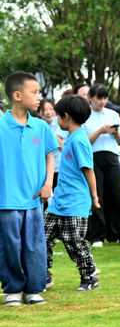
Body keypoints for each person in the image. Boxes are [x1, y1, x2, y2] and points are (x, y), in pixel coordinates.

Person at [1, 71, 59, 306]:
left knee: (35, 245)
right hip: (6, 199)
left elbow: (50, 157)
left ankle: (34, 289)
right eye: (34, 92)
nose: (39, 97)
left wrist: (48, 185)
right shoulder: (1, 125)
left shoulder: (41, 127)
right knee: (9, 246)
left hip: (34, 198)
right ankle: (13, 289)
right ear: (17, 95)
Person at [44, 95, 101, 292]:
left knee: (74, 241)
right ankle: (43, 274)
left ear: (65, 116)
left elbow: (89, 170)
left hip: (75, 203)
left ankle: (89, 276)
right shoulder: (70, 139)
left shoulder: (80, 141)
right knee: (42, 236)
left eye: (58, 116)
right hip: (58, 202)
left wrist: (94, 197)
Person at [84, 84, 120, 247]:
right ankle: (98, 237)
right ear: (90, 98)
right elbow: (84, 142)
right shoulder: (84, 115)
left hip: (112, 156)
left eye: (105, 98)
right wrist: (100, 131)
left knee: (119, 196)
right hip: (93, 158)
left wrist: (115, 132)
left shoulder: (113, 114)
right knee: (97, 197)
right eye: (99, 98)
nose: (103, 101)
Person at [38, 98, 65, 190]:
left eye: (51, 109)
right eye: (44, 110)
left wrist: (52, 136)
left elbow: (63, 147)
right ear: (39, 112)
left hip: (60, 168)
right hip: (43, 170)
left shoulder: (62, 123)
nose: (48, 112)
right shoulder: (37, 126)